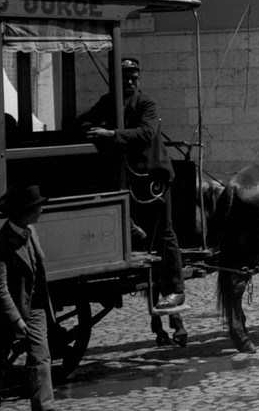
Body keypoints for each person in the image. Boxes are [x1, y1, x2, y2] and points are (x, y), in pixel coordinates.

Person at [77, 57, 187, 346]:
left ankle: (176, 290)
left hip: (152, 176)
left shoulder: (146, 103)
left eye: (134, 77)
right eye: (125, 77)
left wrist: (111, 134)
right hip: (128, 178)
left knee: (165, 234)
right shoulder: (108, 101)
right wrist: (89, 127)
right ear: (116, 79)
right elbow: (86, 118)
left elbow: (147, 133)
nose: (130, 82)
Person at [0, 185, 56, 411]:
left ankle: (45, 407)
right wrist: (15, 320)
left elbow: (38, 271)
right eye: (38, 207)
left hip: (34, 308)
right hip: (2, 313)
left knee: (40, 358)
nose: (42, 210)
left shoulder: (31, 232)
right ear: (26, 212)